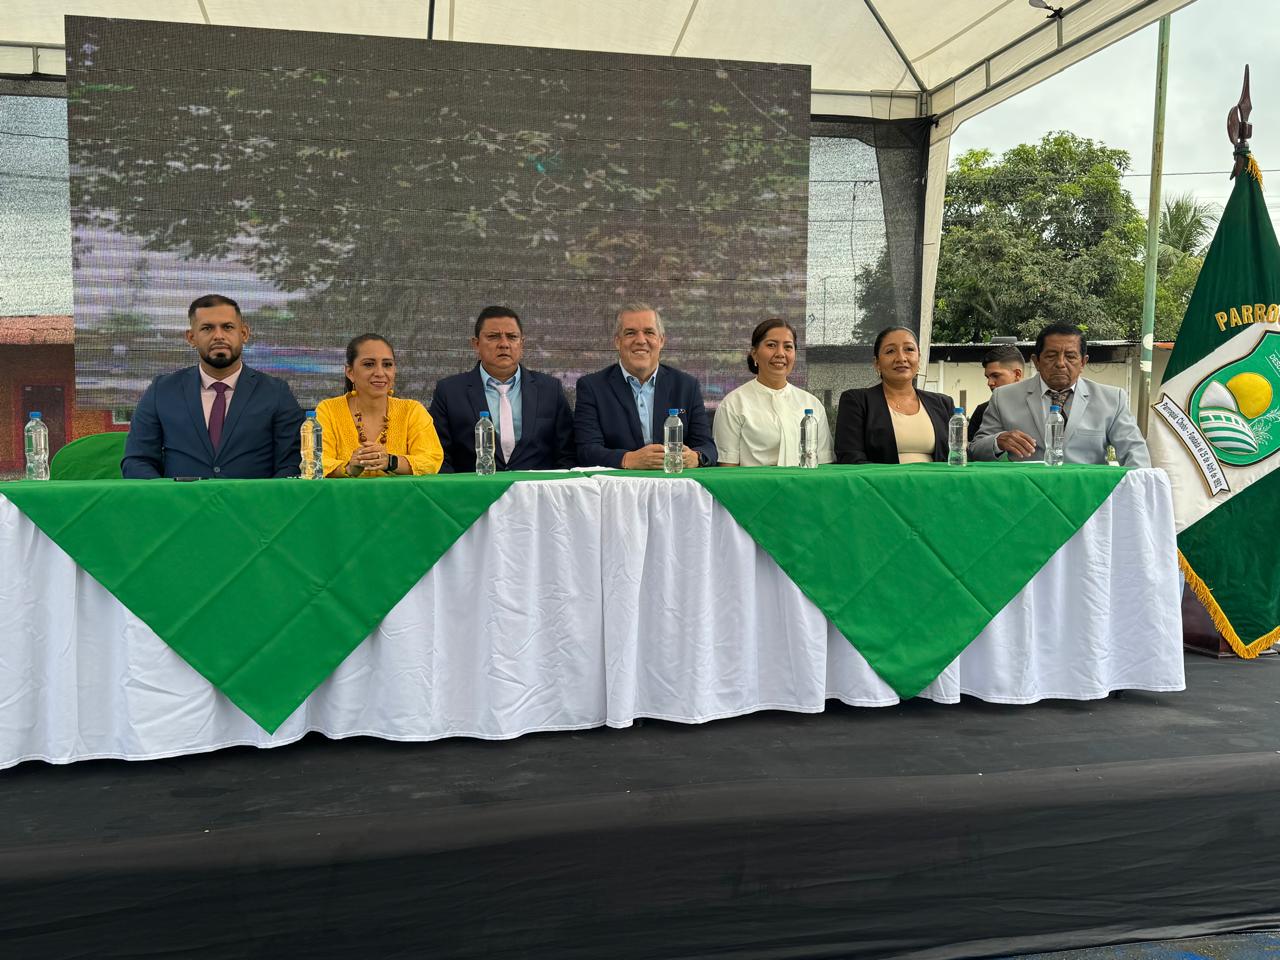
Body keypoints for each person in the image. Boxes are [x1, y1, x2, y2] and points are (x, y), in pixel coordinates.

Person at [122, 294, 305, 479]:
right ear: (191, 338)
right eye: (207, 328)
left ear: (244, 334)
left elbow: (292, 464)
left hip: (253, 498)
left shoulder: (276, 393)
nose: (218, 336)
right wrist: (168, 495)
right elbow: (137, 461)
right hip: (179, 498)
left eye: (228, 327)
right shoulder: (162, 391)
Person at [969, 322, 1151, 466]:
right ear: (1036, 361)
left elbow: (1135, 453)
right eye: (1051, 356)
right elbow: (975, 449)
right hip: (1025, 495)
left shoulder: (1112, 400)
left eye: (1070, 356)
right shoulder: (1003, 397)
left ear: (1083, 362)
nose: (1061, 363)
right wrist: (998, 441)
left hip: (1089, 497)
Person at [428, 306, 575, 472]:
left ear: (522, 344)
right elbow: (438, 456)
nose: (504, 344)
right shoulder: (449, 392)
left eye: (512, 337)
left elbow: (567, 454)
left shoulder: (550, 390)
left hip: (535, 487)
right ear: (476, 344)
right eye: (493, 336)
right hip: (476, 487)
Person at [574, 303, 717, 469]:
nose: (641, 340)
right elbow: (586, 451)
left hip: (675, 482)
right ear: (617, 342)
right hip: (619, 483)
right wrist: (628, 459)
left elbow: (707, 447)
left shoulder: (686, 386)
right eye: (630, 333)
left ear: (661, 340)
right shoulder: (592, 387)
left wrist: (695, 457)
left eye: (649, 332)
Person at [315, 334, 444, 477]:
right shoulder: (328, 410)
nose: (380, 373)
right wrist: (349, 468)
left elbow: (431, 460)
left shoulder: (412, 411)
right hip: (344, 492)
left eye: (387, 364)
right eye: (369, 364)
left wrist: (391, 462)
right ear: (350, 372)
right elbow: (317, 462)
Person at [714, 318, 833, 466]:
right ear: (754, 353)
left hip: (804, 481)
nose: (780, 353)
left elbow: (823, 463)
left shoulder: (812, 404)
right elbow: (727, 467)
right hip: (753, 482)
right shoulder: (733, 404)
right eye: (771, 345)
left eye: (788, 347)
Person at [834, 326, 955, 464]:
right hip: (877, 478)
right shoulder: (857, 401)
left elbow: (958, 455)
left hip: (937, 478)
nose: (901, 358)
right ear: (877, 363)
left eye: (909, 349)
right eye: (890, 351)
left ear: (919, 359)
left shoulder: (943, 403)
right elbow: (850, 458)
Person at [968, 344, 1025, 442]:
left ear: (1017, 374)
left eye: (996, 376)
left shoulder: (1041, 406)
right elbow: (971, 448)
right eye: (988, 377)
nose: (990, 383)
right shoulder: (982, 411)